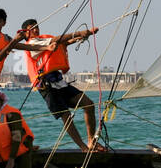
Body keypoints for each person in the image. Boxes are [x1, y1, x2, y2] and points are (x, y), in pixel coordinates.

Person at [19, 18, 101, 150]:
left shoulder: (44, 40)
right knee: (66, 116)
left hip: (59, 82)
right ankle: (82, 146)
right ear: (26, 33)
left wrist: (85, 35)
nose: (36, 29)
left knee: (88, 104)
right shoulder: (32, 44)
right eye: (32, 28)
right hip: (46, 85)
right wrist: (79, 33)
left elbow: (63, 42)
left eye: (37, 26)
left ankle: (91, 141)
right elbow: (57, 40)